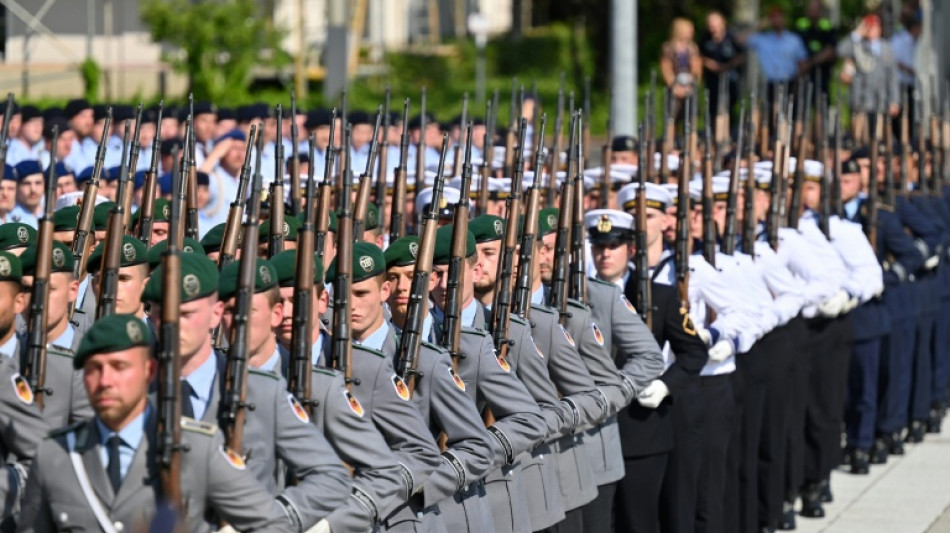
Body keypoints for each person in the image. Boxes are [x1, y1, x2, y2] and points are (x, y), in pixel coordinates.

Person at [18, 313, 298, 533]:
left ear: (149, 371)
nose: (105, 381)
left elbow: (272, 523)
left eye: (119, 367)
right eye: (94, 369)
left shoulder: (197, 448)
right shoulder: (56, 454)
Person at [144, 252, 352, 531]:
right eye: (163, 315)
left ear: (216, 314)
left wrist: (267, 519)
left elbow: (330, 477)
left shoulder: (262, 391)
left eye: (186, 314)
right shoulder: (136, 393)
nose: (174, 326)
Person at [744, 7, 808, 127]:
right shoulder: (762, 39)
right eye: (773, 17)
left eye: (779, 16)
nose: (777, 20)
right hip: (769, 83)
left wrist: (798, 82)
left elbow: (802, 62)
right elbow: (739, 39)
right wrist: (760, 24)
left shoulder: (794, 40)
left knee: (789, 116)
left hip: (790, 82)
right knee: (768, 116)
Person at [838, 14, 901, 123]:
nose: (871, 30)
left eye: (874, 27)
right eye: (868, 27)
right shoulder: (857, 45)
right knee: (859, 130)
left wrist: (894, 100)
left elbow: (892, 77)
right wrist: (857, 34)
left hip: (881, 99)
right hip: (860, 99)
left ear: (879, 28)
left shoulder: (887, 48)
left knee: (879, 130)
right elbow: (840, 50)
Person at [700, 12, 745, 129]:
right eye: (710, 24)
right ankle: (713, 132)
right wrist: (710, 64)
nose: (712, 26)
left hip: (731, 78)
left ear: (722, 23)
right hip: (712, 79)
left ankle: (728, 131)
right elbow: (699, 56)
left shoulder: (732, 37)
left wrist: (728, 66)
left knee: (729, 106)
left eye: (714, 23)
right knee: (712, 106)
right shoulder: (705, 38)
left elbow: (741, 55)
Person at [660, 18, 703, 122]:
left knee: (691, 116)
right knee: (671, 117)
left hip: (689, 86)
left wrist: (691, 84)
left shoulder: (693, 48)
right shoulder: (668, 48)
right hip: (674, 86)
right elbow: (666, 69)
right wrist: (674, 86)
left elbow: (697, 69)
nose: (691, 33)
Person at [794, 0, 838, 98]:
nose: (813, 12)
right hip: (803, 74)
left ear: (821, 11)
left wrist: (811, 63)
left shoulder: (827, 26)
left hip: (822, 73)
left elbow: (830, 49)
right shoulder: (800, 25)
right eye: (810, 9)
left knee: (821, 101)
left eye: (815, 9)